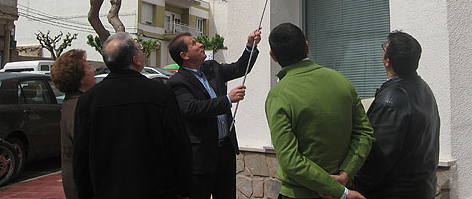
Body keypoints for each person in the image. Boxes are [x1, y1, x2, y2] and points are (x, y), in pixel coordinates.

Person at [73, 32, 192, 199]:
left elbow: (80, 158)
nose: (142, 53)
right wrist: (185, 189)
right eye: (140, 49)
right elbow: (178, 145)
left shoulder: (88, 100)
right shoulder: (160, 93)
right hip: (156, 190)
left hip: (107, 191)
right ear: (136, 60)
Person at [265, 23, 374, 199]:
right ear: (307, 46)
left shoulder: (278, 95)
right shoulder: (342, 82)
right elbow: (365, 133)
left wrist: (340, 192)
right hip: (345, 185)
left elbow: (290, 161)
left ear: (273, 56)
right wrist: (345, 174)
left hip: (299, 194)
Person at [167, 29, 261, 199]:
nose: (201, 44)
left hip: (225, 151)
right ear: (184, 55)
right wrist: (227, 100)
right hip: (202, 157)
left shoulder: (213, 68)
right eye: (194, 44)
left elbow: (240, 68)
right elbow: (193, 109)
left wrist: (250, 46)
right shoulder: (177, 83)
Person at [354, 31, 440, 199]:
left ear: (387, 60)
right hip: (422, 188)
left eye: (384, 49)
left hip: (394, 191)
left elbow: (376, 159)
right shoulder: (424, 89)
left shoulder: (391, 102)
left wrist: (354, 188)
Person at [50, 49, 96, 199]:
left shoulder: (73, 102)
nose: (94, 70)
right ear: (80, 78)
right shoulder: (78, 106)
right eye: (88, 67)